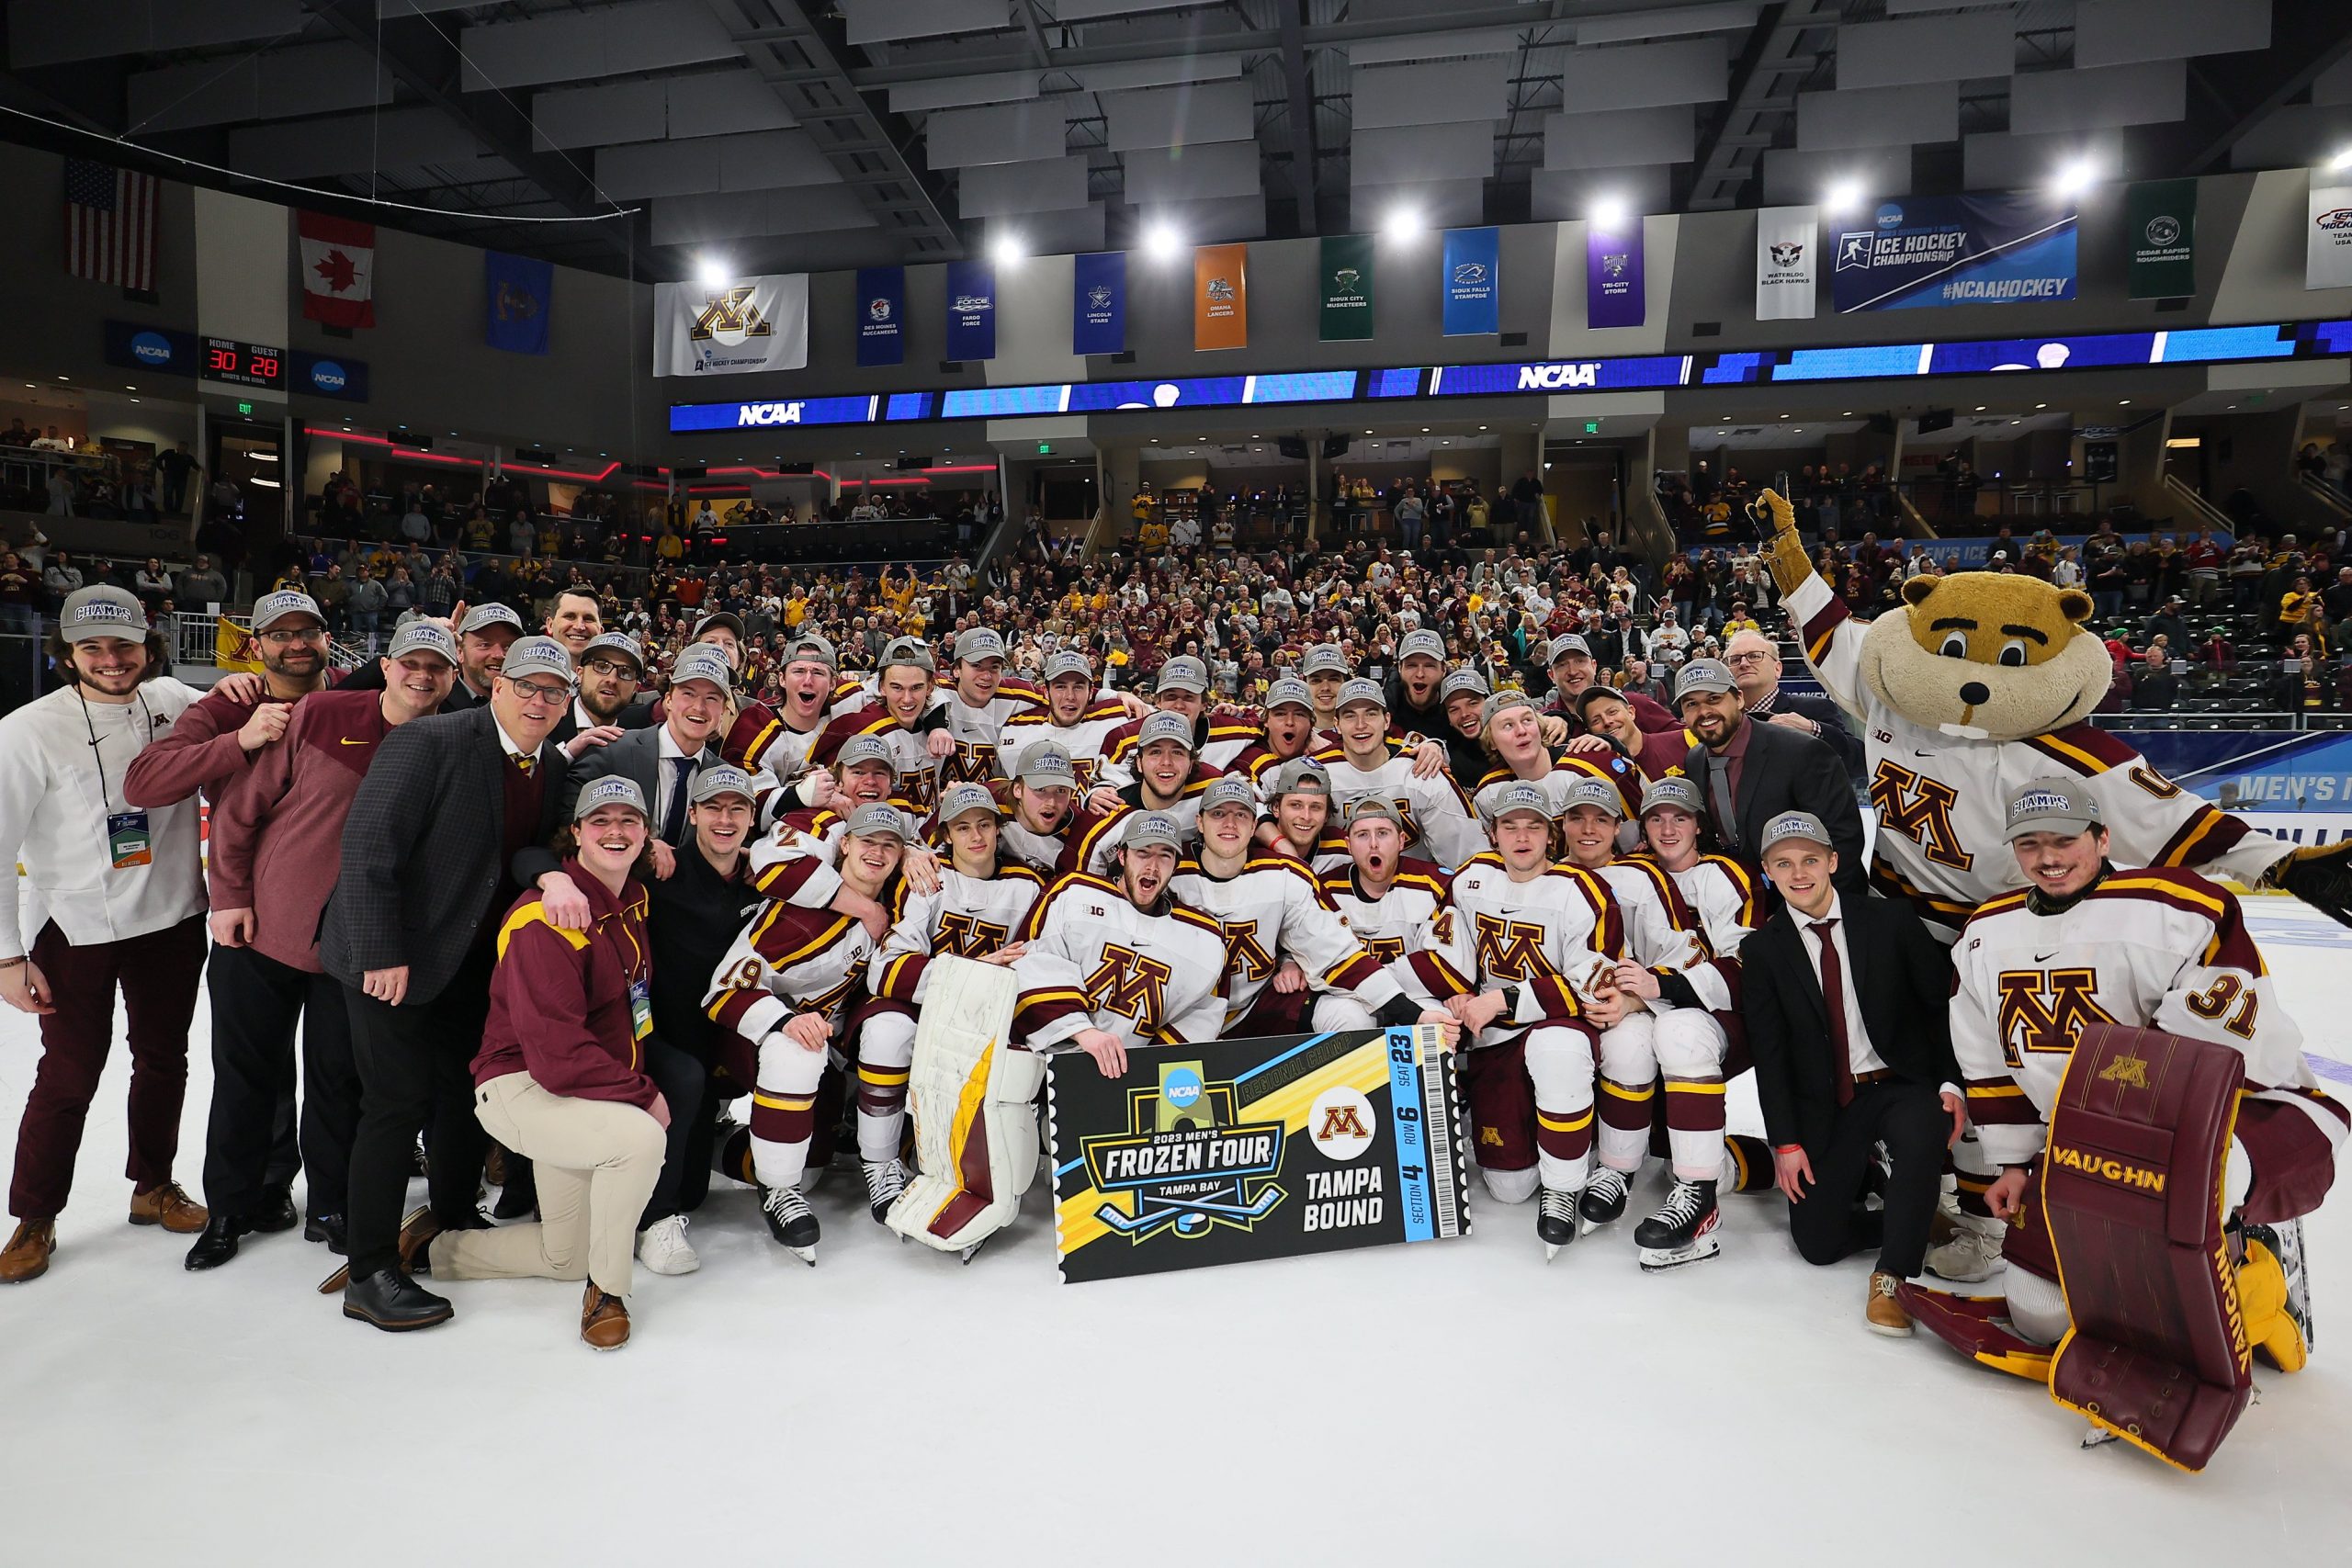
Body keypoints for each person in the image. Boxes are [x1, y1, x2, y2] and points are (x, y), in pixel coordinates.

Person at [1946, 780, 2345, 1353]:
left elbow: (2222, 1039)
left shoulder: (2176, 904)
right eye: (2029, 844)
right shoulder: (1984, 933)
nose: (2048, 858)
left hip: (2231, 1114)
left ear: (2103, 838)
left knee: (2194, 1198)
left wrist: (2125, 1136)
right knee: (2041, 1316)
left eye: (2064, 840)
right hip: (2083, 1139)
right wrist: (2013, 1160)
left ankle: (2254, 1269)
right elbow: (1985, 1057)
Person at [316, 635, 576, 1331]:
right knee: (395, 1102)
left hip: (463, 958)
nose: (539, 700)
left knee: (465, 1092)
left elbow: (525, 844)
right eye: (527, 685)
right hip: (389, 953)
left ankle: (453, 1217)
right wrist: (381, 950)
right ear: (495, 685)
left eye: (554, 691)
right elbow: (369, 844)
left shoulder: (548, 763)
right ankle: (371, 1270)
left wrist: (546, 871)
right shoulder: (431, 740)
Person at [183, 620, 460, 1269]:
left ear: (452, 678)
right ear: (385, 666)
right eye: (411, 662)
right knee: (246, 1077)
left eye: (438, 666)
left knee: (341, 1083)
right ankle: (232, 1205)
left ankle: (332, 1203)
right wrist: (228, 895)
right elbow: (240, 809)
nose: (423, 675)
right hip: (264, 932)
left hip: (358, 947)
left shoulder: (448, 740)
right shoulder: (322, 711)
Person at [0, 589, 213, 1282]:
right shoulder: (27, 730)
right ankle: (35, 1215)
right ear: (67, 653)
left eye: (124, 645)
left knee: (164, 1059)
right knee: (67, 1074)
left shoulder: (178, 702)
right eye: (93, 647)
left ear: (148, 646)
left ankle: (153, 1185)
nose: (112, 660)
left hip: (173, 917)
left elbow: (266, 692)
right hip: (77, 927)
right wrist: (8, 955)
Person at [416, 777, 672, 1351]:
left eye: (629, 820)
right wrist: (641, 1092)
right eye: (599, 820)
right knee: (639, 1140)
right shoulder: (546, 920)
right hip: (524, 1087)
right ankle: (607, 1292)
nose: (615, 831)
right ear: (575, 833)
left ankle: (431, 1247)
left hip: (582, 1091)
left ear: (645, 834)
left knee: (564, 1254)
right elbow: (556, 1058)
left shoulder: (631, 900)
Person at [1741, 811, 1962, 1336]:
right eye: (1784, 863)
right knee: (1817, 1246)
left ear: (1834, 862)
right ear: (1768, 872)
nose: (1800, 873)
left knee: (1922, 1127)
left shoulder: (1890, 921)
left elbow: (1938, 1008)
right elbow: (1770, 1055)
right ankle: (1910, 1211)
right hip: (1829, 1102)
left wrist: (1951, 1082)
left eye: (1810, 860)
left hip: (1897, 1082)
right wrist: (1786, 1143)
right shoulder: (1763, 951)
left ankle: (1893, 1277)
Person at [1400, 781, 1622, 1258]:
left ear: (1551, 834)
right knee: (1509, 1185)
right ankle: (1550, 1152)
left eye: (1534, 826)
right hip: (1490, 1037)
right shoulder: (1470, 877)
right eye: (1510, 826)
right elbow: (1446, 945)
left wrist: (1500, 1001)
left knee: (1557, 1050)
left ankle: (1564, 1189)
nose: (1522, 837)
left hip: (1557, 1024)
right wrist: (1459, 992)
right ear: (1493, 833)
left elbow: (1596, 977)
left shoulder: (1584, 889)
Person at [705, 801, 914, 1263]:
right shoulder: (795, 911)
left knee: (814, 1161)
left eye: (890, 846)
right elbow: (721, 992)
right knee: (796, 1055)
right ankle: (776, 1189)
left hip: (824, 1050)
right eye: (867, 842)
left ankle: (736, 1147)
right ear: (844, 845)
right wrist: (782, 1019)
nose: (877, 853)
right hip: (749, 1038)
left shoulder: (892, 908)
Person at [853, 784, 1045, 1219]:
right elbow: (885, 970)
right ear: (946, 834)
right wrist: (973, 971)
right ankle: (879, 1162)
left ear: (999, 829)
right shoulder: (926, 879)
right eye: (962, 827)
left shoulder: (1029, 886)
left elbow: (1038, 956)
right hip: (923, 1008)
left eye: (984, 825)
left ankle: (998, 1171)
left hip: (991, 1012)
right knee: (886, 1033)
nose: (975, 837)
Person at [1008, 811, 1231, 1077]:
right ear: (1122, 856)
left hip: (1135, 1079)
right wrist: (1084, 1033)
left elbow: (1203, 1015)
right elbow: (1031, 961)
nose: (1152, 866)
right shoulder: (1074, 892)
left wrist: (1151, 1068)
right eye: (1143, 853)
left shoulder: (1204, 937)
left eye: (1164, 856)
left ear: (1175, 866)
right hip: (1049, 1064)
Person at [1671, 658, 1863, 890]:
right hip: (1742, 898)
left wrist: (1798, 910)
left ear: (1739, 699)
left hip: (1813, 900)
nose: (1704, 712)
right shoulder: (1695, 759)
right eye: (1691, 704)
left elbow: (1844, 840)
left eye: (1714, 699)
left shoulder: (1802, 751)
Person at [1720, 629, 1862, 784]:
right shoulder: (1720, 719)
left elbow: (1859, 763)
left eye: (1754, 656)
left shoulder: (1815, 709)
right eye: (1734, 660)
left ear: (1778, 668)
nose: (1743, 664)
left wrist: (1814, 730)